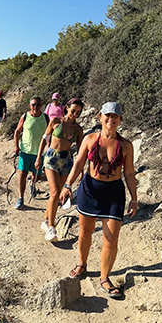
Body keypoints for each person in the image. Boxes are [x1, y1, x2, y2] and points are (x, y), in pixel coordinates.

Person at [60, 102, 137, 298]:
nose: (111, 119)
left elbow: (128, 173)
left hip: (113, 193)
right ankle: (82, 264)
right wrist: (68, 186)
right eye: (107, 115)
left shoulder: (126, 145)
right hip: (90, 190)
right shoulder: (89, 139)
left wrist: (134, 199)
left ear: (120, 120)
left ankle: (104, 278)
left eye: (116, 116)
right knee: (85, 232)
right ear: (100, 117)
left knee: (111, 237)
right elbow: (78, 163)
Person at [35, 98, 84, 242]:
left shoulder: (78, 129)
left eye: (78, 112)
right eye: (73, 110)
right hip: (51, 158)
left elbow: (81, 150)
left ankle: (45, 220)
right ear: (67, 107)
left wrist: (80, 168)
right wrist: (38, 158)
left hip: (66, 160)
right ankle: (51, 227)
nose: (75, 114)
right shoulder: (56, 121)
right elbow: (44, 139)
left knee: (57, 194)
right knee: (55, 192)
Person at [13, 96, 49, 209]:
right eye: (33, 104)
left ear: (41, 106)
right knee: (22, 174)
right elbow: (17, 132)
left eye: (38, 104)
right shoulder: (25, 116)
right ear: (30, 106)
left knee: (37, 175)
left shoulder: (45, 118)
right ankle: (20, 198)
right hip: (25, 151)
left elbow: (49, 134)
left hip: (39, 153)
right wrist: (16, 146)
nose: (35, 107)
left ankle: (32, 185)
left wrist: (49, 148)